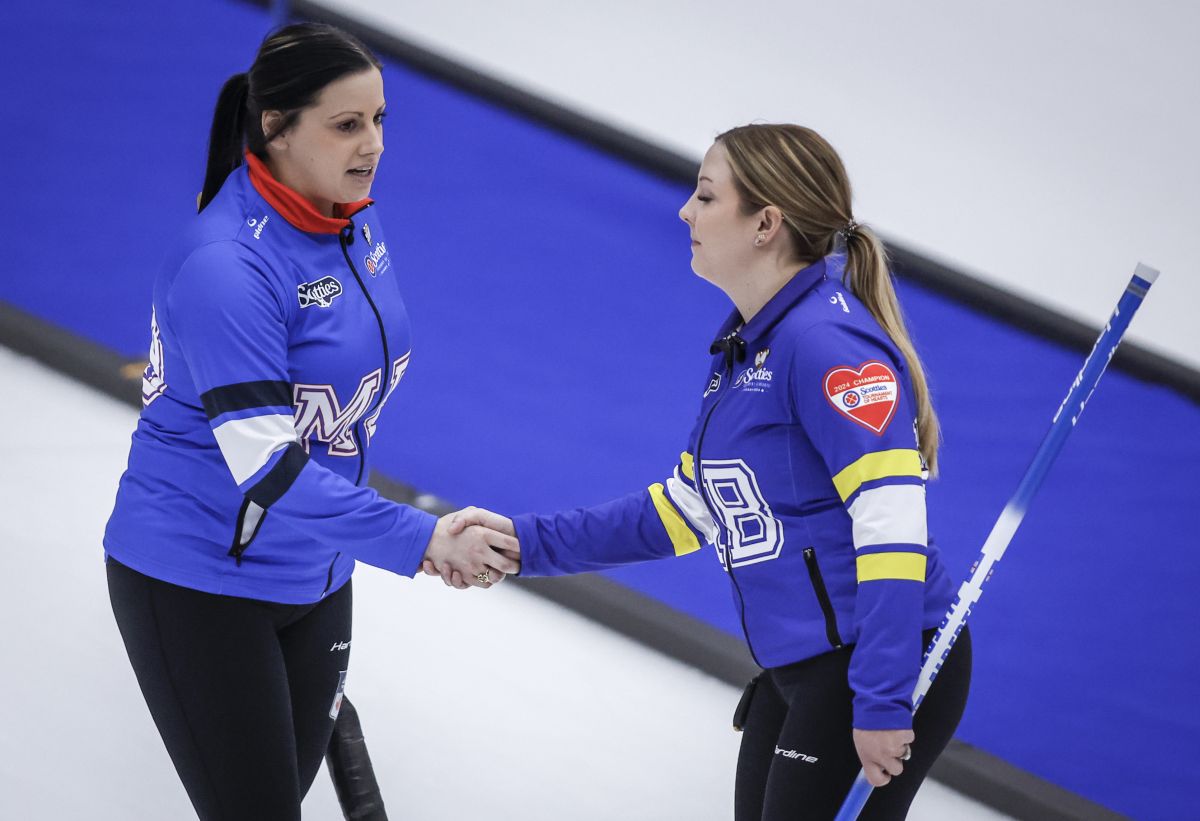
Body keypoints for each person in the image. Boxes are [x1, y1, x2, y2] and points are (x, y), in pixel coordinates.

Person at [442, 124, 972, 819]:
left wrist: (880, 696)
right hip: (802, 667)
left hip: (870, 665)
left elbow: (893, 530)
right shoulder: (752, 343)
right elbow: (688, 508)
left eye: (705, 195)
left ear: (765, 224)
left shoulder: (827, 345)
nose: (685, 212)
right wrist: (525, 543)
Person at [103, 23, 518, 821]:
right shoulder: (225, 267)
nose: (374, 145)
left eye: (380, 120)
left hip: (318, 569)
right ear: (276, 127)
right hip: (198, 579)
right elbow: (267, 465)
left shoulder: (352, 223)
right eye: (347, 124)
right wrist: (423, 539)